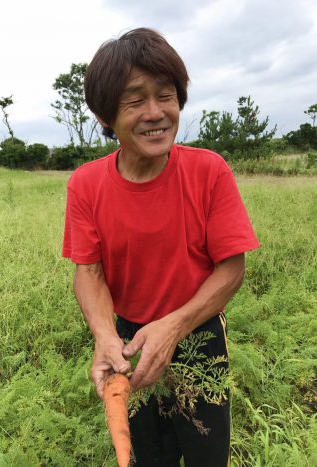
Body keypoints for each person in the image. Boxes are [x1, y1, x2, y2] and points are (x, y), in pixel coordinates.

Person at [62, 27, 260, 467]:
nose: (156, 113)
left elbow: (231, 268)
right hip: (128, 343)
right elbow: (88, 271)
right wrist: (105, 337)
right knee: (148, 455)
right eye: (135, 101)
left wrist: (174, 326)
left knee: (208, 453)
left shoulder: (209, 171)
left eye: (165, 96)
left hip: (199, 333)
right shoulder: (85, 185)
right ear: (105, 116)